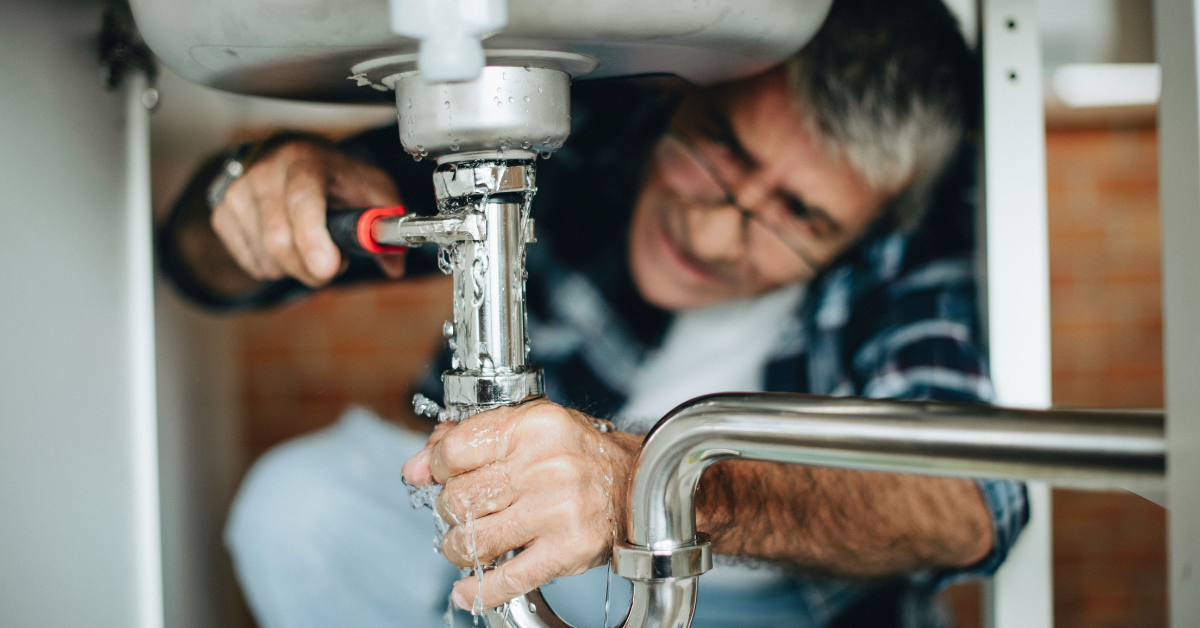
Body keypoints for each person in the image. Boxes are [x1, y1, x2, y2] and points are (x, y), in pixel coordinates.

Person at [159, 0, 1027, 626]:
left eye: (800, 217)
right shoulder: (591, 125)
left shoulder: (916, 235)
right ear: (686, 93)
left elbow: (968, 504)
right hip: (510, 550)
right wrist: (257, 190)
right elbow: (204, 268)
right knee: (299, 511)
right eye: (720, 148)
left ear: (867, 226)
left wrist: (650, 487)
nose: (717, 229)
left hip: (762, 594)